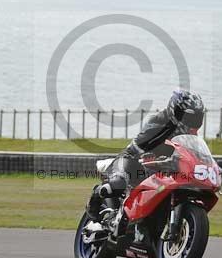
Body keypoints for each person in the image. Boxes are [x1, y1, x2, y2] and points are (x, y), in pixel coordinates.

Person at [86, 89, 205, 221]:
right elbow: (139, 145)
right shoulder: (159, 122)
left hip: (161, 169)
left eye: (197, 118)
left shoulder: (190, 137)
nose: (193, 122)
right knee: (118, 184)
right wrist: (148, 153)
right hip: (132, 160)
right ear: (176, 111)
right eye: (190, 117)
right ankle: (96, 197)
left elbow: (195, 156)